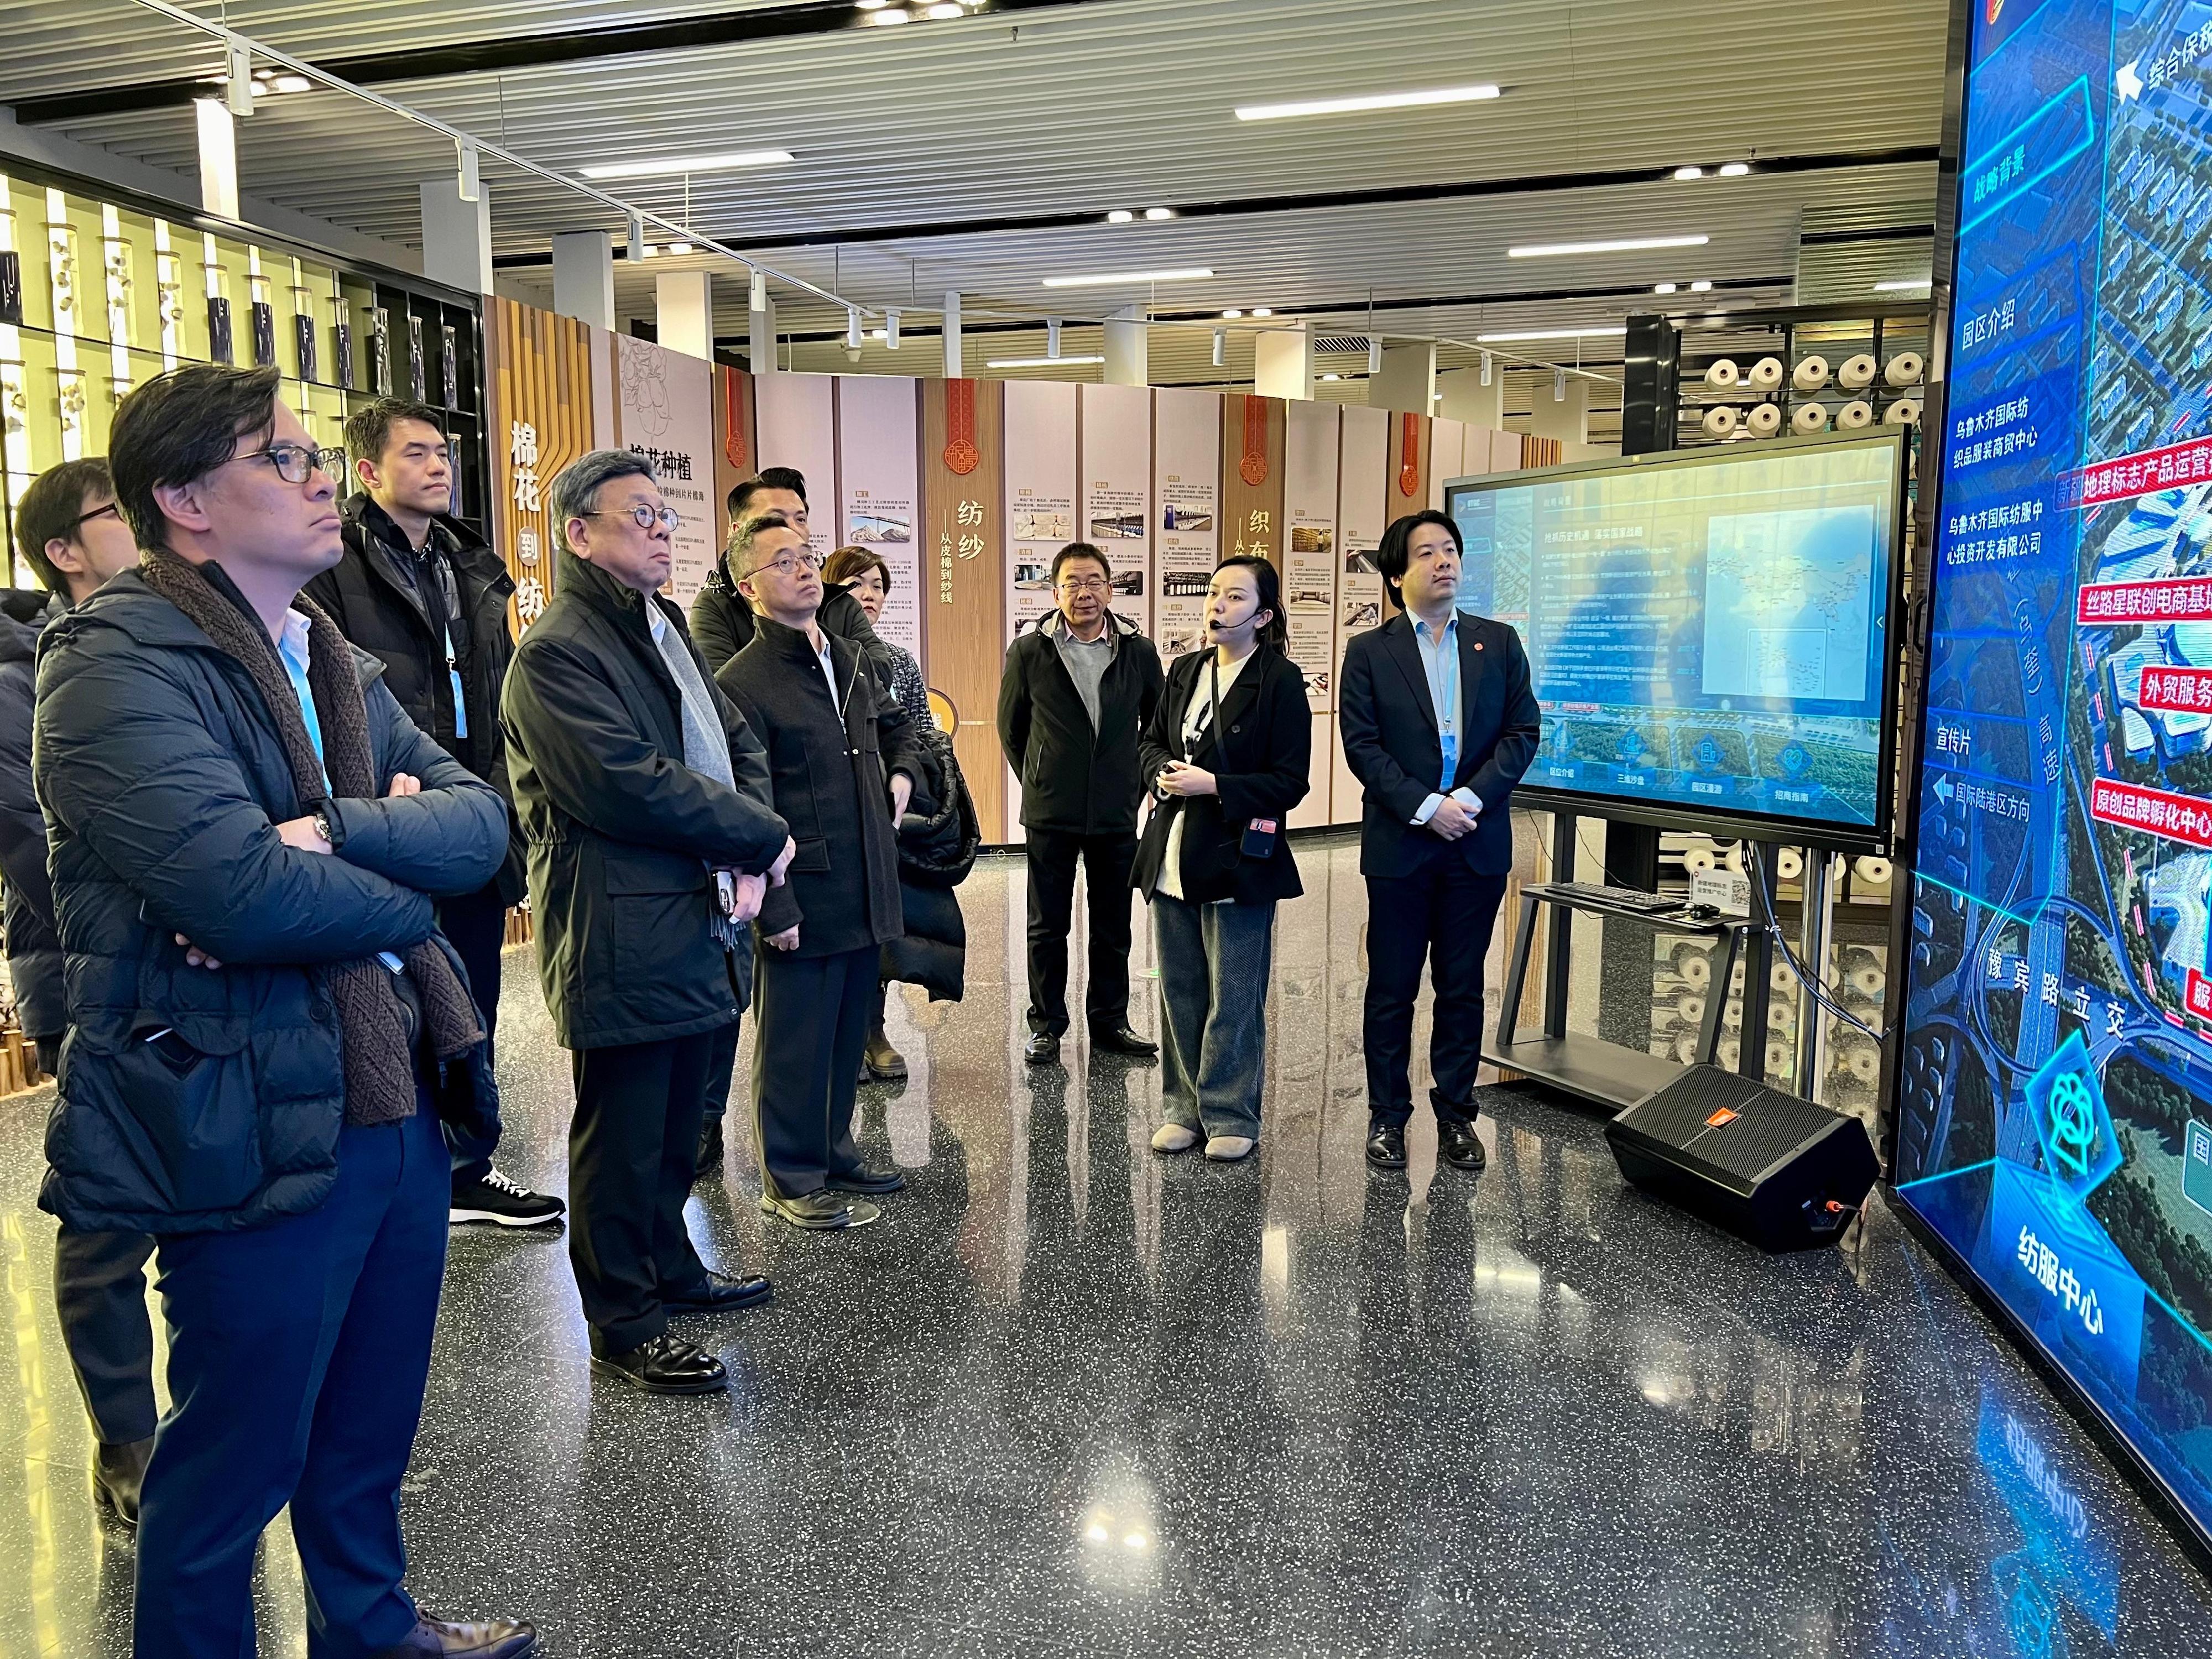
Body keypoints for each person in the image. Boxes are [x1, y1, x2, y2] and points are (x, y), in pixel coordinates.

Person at [36, 364, 532, 1657]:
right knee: (230, 1462)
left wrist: (341, 836)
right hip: (235, 1108)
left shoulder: (328, 650)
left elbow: (481, 819)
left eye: (317, 455)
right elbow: (242, 892)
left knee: (365, 1433)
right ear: (185, 501)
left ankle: (370, 1629)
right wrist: (405, 894)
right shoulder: (112, 666)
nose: (324, 480)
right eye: (287, 459)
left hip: (389, 1096)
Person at [503, 451, 795, 1396]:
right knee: (624, 1134)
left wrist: (755, 833)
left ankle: (671, 1267)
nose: (663, 529)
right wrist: (760, 833)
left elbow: (732, 737)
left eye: (667, 514)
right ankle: (623, 1321)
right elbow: (629, 786)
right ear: (579, 534)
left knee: (683, 1124)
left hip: (699, 916)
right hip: (622, 928)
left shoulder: (661, 624)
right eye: (639, 516)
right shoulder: (557, 652)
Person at [303, 397, 564, 1229]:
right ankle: (406, 1170)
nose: (439, 466)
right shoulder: (332, 569)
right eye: (416, 454)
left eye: (443, 452)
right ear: (369, 472)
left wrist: (494, 801)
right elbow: (333, 696)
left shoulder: (468, 565)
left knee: (472, 994)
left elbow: (500, 694)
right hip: (385, 811)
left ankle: (465, 1165)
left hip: (466, 806)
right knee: (390, 999)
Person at [3, 458, 155, 1524]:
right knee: (105, 1219)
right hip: (86, 970)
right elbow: (35, 834)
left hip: (202, 961)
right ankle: (126, 1442)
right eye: (118, 515)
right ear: (65, 549)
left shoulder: (178, 634)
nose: (140, 527)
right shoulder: (24, 673)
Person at [716, 512, 919, 1229]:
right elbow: (748, 804)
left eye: (805, 557)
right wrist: (777, 908)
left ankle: (835, 1150)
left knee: (842, 1033)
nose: (803, 569)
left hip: (868, 876)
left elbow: (900, 730)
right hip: (801, 887)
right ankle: (790, 1174)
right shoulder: (744, 680)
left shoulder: (846, 655)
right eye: (782, 562)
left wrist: (902, 774)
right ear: (749, 587)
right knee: (795, 1039)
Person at [1338, 509, 1540, 1175]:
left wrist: (1468, 801)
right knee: (1392, 988)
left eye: (1450, 550)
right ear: (1397, 576)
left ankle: (1457, 1116)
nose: (1443, 562)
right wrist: (1428, 808)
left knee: (1461, 987)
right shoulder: (1370, 652)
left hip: (1475, 842)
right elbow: (1362, 747)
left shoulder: (1498, 642)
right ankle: (1387, 1119)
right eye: (1425, 553)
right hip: (1402, 846)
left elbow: (1521, 735)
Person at [1133, 555, 1311, 1162]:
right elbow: (1150, 741)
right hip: (1172, 852)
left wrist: (1216, 787)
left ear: (1262, 615)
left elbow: (1291, 781)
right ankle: (1183, 1108)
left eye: (1235, 598)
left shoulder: (1280, 681)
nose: (1217, 606)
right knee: (1179, 987)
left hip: (1238, 855)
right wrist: (1161, 774)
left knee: (1233, 994)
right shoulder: (1183, 670)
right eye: (1213, 594)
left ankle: (1231, 1111)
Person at [997, 542, 1164, 1066]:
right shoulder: (1030, 651)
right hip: (1052, 810)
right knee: (1047, 924)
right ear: (1055, 591)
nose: (1083, 592)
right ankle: (1046, 1024)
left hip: (1117, 809)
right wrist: (1042, 778)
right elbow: (1012, 729)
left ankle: (1111, 1021)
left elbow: (1155, 727)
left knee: (1113, 923)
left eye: (1093, 581)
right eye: (1071, 582)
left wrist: (1135, 785)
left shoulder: (1138, 651)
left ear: (1111, 589)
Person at [822, 543, 931, 1080]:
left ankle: (873, 1030)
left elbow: (921, 731)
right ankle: (838, 1038)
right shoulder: (809, 655)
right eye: (854, 585)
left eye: (877, 586)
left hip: (887, 815)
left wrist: (912, 775)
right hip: (826, 816)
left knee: (881, 929)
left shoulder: (898, 663)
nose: (867, 596)